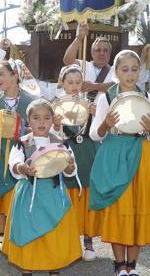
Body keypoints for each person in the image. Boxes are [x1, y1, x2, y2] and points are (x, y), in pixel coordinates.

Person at [89, 50, 150, 276]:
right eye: (124, 70)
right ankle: (119, 264)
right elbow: (95, 134)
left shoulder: (148, 97)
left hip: (139, 154)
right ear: (116, 72)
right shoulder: (106, 97)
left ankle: (132, 265)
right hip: (114, 153)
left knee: (137, 208)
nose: (130, 74)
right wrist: (105, 124)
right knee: (119, 207)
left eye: (134, 69)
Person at [2, 99, 80, 276]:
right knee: (28, 234)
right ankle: (27, 269)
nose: (42, 122)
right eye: (36, 118)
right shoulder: (21, 142)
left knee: (54, 236)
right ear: (28, 121)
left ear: (53, 120)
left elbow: (70, 167)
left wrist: (70, 168)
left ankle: (54, 269)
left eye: (46, 117)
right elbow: (13, 163)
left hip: (54, 194)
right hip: (29, 196)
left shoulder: (61, 142)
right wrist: (21, 167)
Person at [0, 60, 36, 252]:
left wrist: (24, 128)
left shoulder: (30, 101)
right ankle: (1, 233)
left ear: (15, 76)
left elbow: (38, 126)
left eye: (2, 74)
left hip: (21, 151)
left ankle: (17, 231)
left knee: (18, 190)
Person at [56, 64, 100, 261]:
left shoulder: (90, 104)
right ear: (62, 83)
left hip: (88, 154)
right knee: (69, 196)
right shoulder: (55, 106)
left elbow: (99, 133)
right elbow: (52, 135)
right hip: (68, 155)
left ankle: (88, 240)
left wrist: (95, 115)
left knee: (88, 196)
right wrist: (56, 124)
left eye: (78, 82)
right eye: (70, 82)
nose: (74, 86)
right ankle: (70, 241)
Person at [63, 22, 115, 103]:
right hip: (81, 112)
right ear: (92, 52)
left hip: (102, 114)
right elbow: (67, 60)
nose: (102, 53)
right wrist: (79, 38)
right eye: (98, 50)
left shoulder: (115, 70)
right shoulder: (84, 65)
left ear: (110, 53)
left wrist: (94, 86)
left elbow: (117, 87)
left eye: (105, 50)